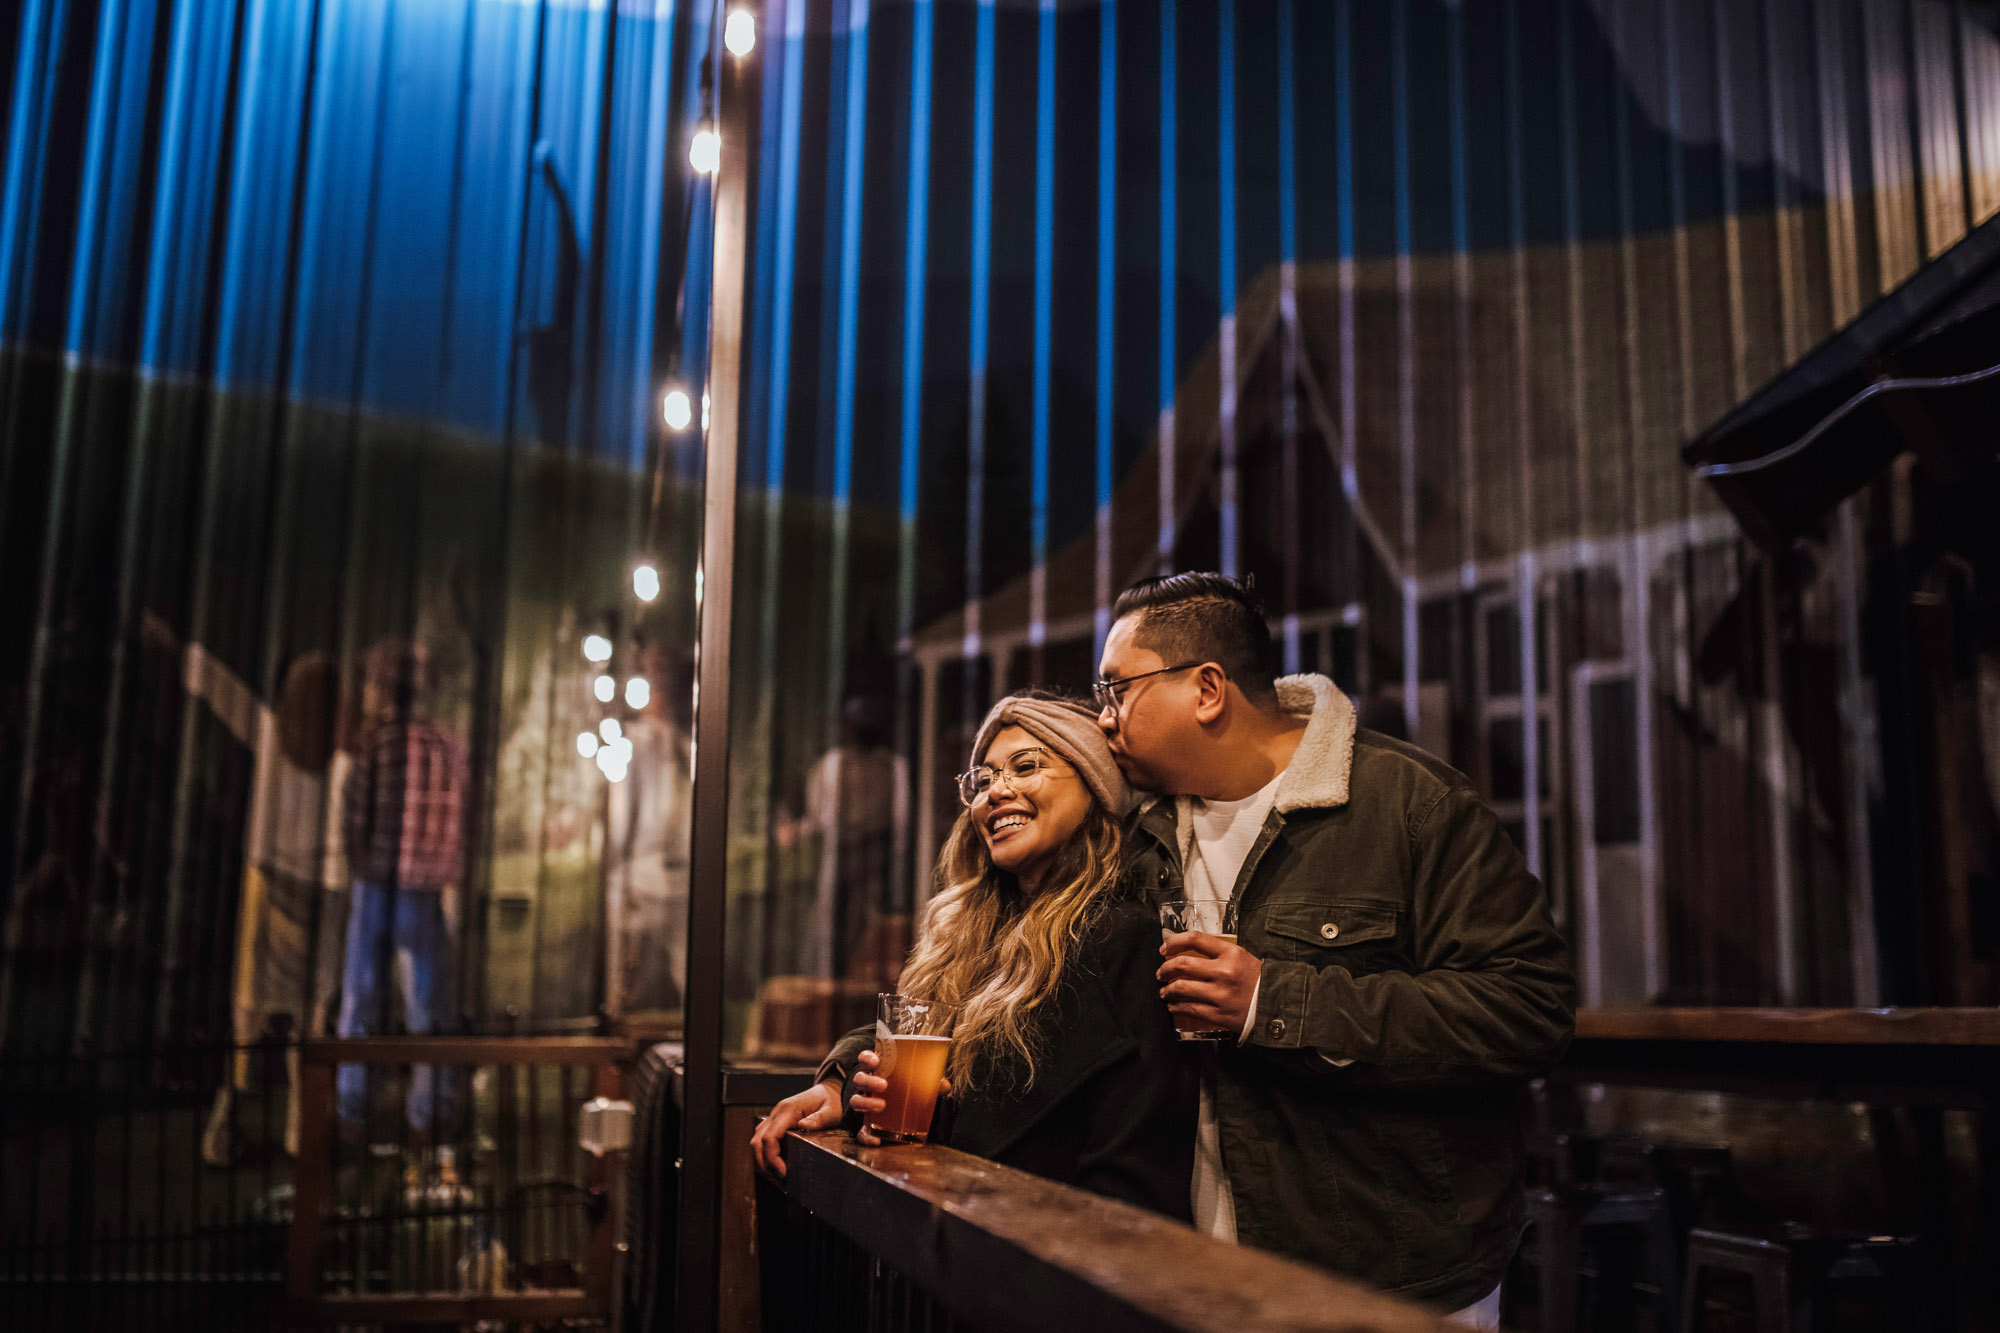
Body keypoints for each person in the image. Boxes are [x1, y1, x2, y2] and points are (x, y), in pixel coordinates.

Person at [1095, 572, 1575, 1325]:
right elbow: (1013, 962)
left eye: (1117, 688)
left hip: (1391, 1279)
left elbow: (1529, 1008)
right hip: (1194, 1266)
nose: (1104, 718)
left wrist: (1272, 1000)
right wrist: (861, 1056)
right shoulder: (1137, 831)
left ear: (1208, 688)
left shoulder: (1411, 803)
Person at [751, 694, 1197, 1218]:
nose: (995, 793)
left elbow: (1114, 1162)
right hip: (945, 1243)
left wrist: (930, 1116)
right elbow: (920, 1036)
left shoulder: (1121, 938)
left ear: (1094, 785)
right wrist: (842, 1084)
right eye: (982, 781)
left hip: (1040, 1260)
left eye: (1026, 767)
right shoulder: (969, 930)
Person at [335, 638, 468, 1142]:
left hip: (379, 887)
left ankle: (351, 1109)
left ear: (380, 687)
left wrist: (365, 865)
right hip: (429, 890)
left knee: (361, 1000)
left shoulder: (377, 745)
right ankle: (425, 1113)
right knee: (427, 1008)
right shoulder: (445, 743)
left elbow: (354, 820)